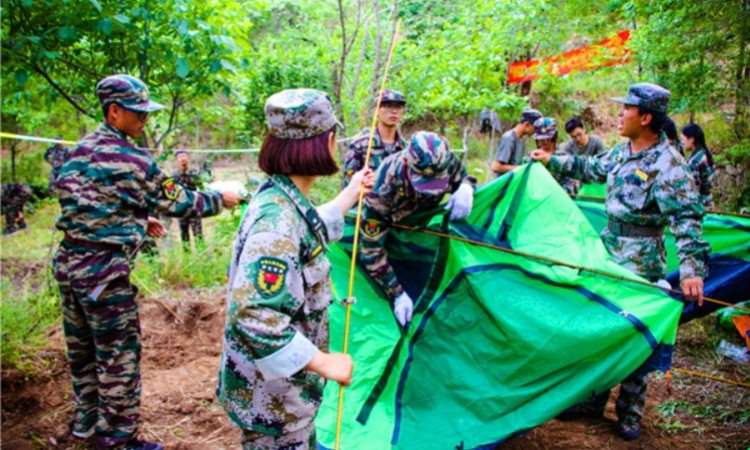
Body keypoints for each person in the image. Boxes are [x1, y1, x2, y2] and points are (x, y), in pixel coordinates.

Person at [53, 74, 241, 450]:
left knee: (83, 350)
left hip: (70, 266)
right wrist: (222, 198)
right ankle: (118, 438)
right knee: (118, 355)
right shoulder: (132, 159)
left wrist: (135, 220)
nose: (144, 120)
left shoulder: (75, 151)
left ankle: (86, 423)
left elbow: (83, 204)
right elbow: (182, 201)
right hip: (105, 274)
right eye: (138, 113)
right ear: (114, 111)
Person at [530, 82, 709, 441]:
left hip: (642, 260)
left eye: (626, 108)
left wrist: (692, 270)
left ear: (645, 117)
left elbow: (687, 219)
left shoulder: (669, 164)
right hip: (607, 250)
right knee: (599, 322)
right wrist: (553, 161)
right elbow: (591, 168)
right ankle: (591, 398)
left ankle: (630, 410)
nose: (619, 113)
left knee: (633, 329)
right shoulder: (622, 151)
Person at [217, 88, 374, 450]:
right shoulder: (277, 220)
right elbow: (254, 314)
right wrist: (324, 362)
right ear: (326, 141)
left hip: (283, 396)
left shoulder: (281, 196)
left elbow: (306, 230)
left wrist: (349, 194)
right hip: (273, 404)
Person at [360, 131, 476, 327]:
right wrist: (397, 294)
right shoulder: (383, 188)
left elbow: (462, 177)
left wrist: (466, 187)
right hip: (395, 237)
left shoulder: (444, 159)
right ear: (408, 165)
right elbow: (370, 249)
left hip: (426, 232)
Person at [341, 88, 407, 188]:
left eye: (398, 107)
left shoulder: (406, 149)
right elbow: (348, 184)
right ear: (377, 110)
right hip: (365, 201)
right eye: (388, 106)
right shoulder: (361, 145)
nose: (394, 111)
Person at [530, 117, 579, 197]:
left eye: (547, 139)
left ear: (554, 137)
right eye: (541, 140)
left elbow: (575, 185)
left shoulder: (564, 157)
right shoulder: (533, 157)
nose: (544, 142)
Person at [491, 108, 542, 177]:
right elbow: (496, 167)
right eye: (535, 128)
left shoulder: (522, 139)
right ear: (527, 125)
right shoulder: (509, 138)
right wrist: (522, 168)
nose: (535, 131)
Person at [172, 149, 205, 248]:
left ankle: (201, 254)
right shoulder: (174, 175)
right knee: (184, 234)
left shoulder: (194, 173)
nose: (183, 159)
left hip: (194, 208)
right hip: (182, 208)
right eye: (180, 157)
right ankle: (187, 255)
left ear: (188, 159)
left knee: (198, 234)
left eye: (184, 157)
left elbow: (202, 187)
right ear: (177, 160)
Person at [681, 123, 716, 210]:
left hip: (699, 207)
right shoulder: (703, 154)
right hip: (708, 203)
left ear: (692, 139)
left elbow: (692, 187)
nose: (682, 142)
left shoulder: (696, 160)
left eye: (683, 139)